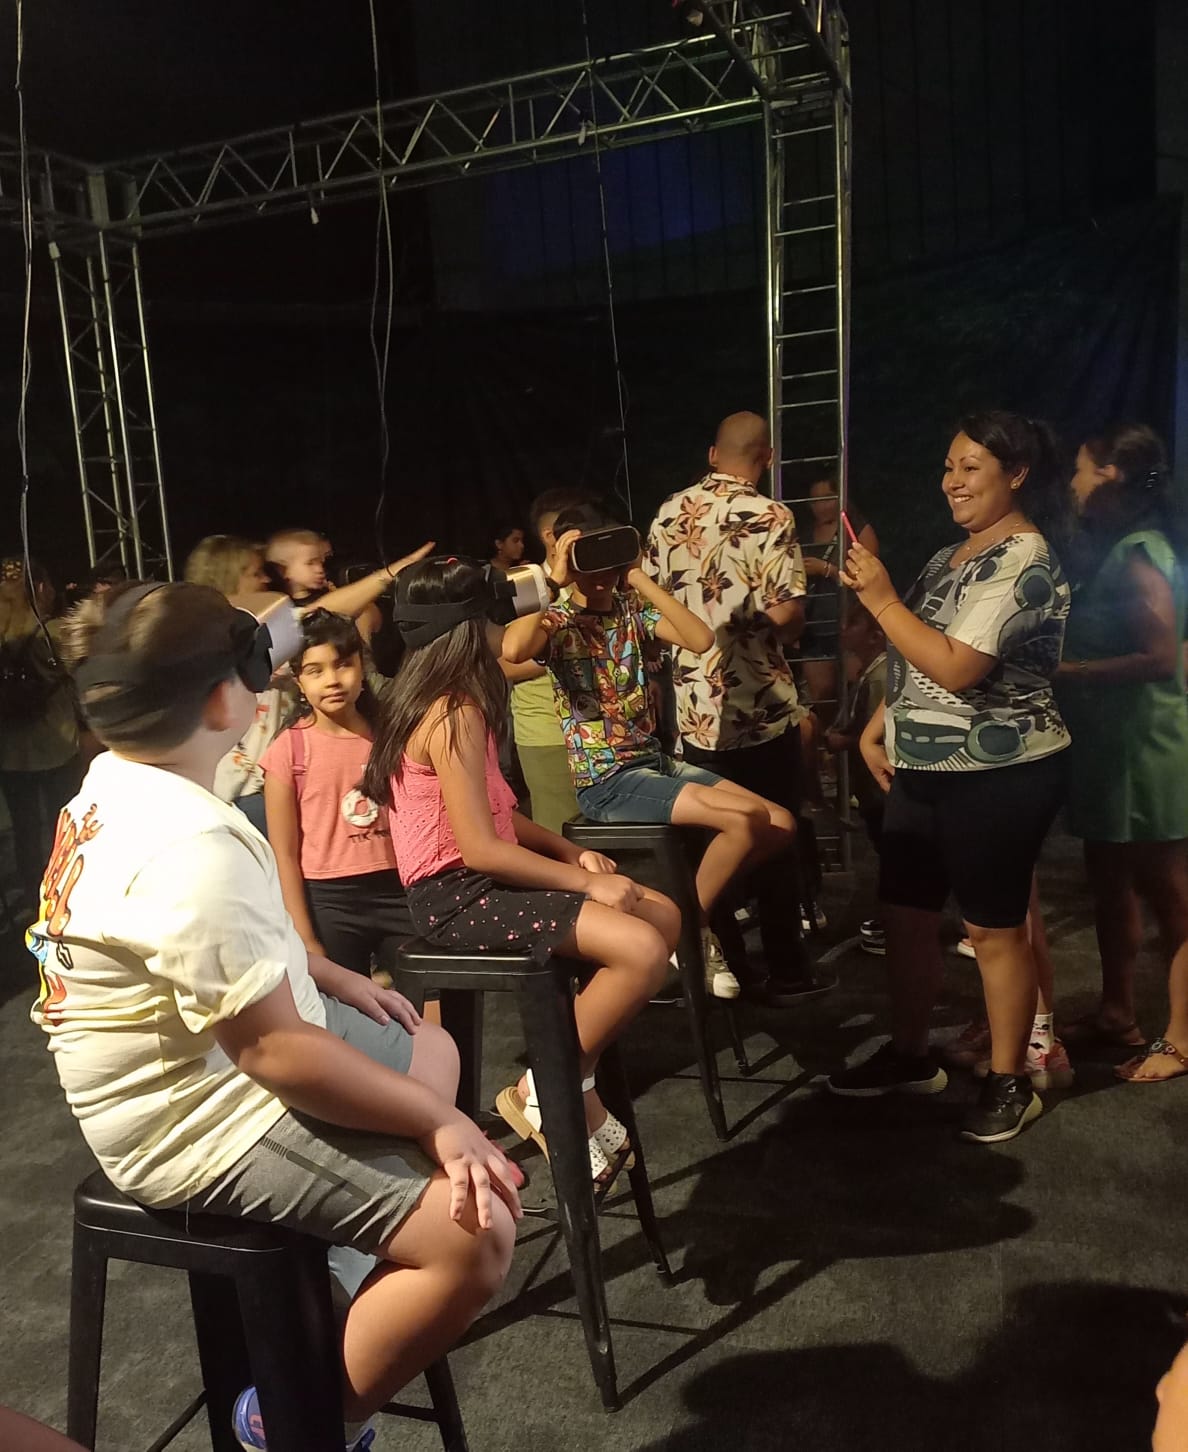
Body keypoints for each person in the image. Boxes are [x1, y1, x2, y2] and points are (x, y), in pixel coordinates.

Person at [30, 580, 518, 1452]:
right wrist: (440, 1124)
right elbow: (276, 1054)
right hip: (193, 1120)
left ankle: (335, 1274)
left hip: (219, 1055)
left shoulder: (116, 780)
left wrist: (320, 969)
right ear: (229, 702)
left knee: (428, 1044)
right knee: (476, 1234)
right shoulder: (189, 846)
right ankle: (301, 1417)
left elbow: (202, 954)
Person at [363, 556, 678, 1183]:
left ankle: (565, 1081)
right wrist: (587, 882)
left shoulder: (457, 701)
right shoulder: (451, 713)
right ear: (470, 630)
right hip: (456, 895)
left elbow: (500, 816)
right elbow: (480, 850)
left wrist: (569, 852)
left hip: (482, 879)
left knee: (662, 913)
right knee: (642, 948)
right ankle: (549, 1087)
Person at [826, 410, 1071, 1145]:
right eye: (947, 466)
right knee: (906, 916)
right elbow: (917, 654)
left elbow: (960, 667)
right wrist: (879, 723)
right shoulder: (949, 557)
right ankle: (910, 1055)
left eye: (970, 467)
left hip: (1000, 772)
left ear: (1016, 474)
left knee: (994, 930)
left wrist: (880, 599)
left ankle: (1010, 1079)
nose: (952, 481)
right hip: (925, 767)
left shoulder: (1024, 560)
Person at [504, 497, 796, 1001]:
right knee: (743, 820)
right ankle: (690, 930)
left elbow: (699, 639)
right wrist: (555, 578)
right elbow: (512, 650)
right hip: (606, 777)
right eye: (588, 560)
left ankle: (681, 910)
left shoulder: (631, 611)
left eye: (607, 557)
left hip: (653, 762)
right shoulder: (559, 620)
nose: (599, 574)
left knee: (780, 823)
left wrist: (636, 574)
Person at [644, 411, 823, 1005]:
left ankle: (721, 967)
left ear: (713, 454)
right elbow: (789, 617)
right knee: (774, 836)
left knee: (711, 846)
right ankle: (788, 970)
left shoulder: (669, 512)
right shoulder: (772, 515)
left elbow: (649, 604)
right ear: (766, 458)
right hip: (761, 709)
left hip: (695, 711)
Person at [1054, 423, 1188, 1082]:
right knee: (1108, 881)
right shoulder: (1121, 548)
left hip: (1144, 744)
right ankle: (1116, 1012)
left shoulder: (1139, 552)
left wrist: (1069, 671)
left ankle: (1183, 1038)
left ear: (1111, 476)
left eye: (1082, 469)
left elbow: (1160, 656)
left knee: (1171, 894)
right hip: (1111, 745)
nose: (1073, 483)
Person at [186, 534, 431, 834]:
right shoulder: (238, 644)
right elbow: (314, 615)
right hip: (246, 793)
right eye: (255, 572)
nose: (266, 579)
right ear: (227, 577)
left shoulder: (217, 639)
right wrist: (390, 574)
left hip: (256, 786)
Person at [262, 610, 412, 980]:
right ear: (299, 681)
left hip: (400, 888)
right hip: (330, 900)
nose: (332, 680)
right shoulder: (288, 750)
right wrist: (304, 936)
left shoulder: (393, 737)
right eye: (315, 671)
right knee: (347, 1003)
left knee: (427, 996)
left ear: (362, 667)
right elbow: (284, 853)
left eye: (343, 664)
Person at [0, 557, 83, 916]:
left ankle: (33, 896)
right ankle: (64, 893)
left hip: (10, 753)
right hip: (56, 745)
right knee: (61, 823)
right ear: (40, 588)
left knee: (25, 829)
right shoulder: (53, 632)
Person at [499, 489, 585, 834]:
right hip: (549, 733)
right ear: (551, 535)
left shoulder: (601, 575)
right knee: (562, 834)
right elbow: (506, 662)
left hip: (604, 732)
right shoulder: (523, 581)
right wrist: (572, 648)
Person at [799, 471, 880, 732]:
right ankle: (827, 748)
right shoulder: (803, 532)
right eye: (814, 500)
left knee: (856, 691)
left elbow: (870, 578)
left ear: (840, 497)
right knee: (822, 698)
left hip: (850, 622)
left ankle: (856, 746)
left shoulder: (855, 529)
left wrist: (827, 570)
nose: (819, 506)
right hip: (814, 624)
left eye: (826, 498)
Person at [265, 527, 331, 606]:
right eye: (310, 563)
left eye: (320, 563)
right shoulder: (281, 607)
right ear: (284, 570)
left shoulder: (327, 593)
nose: (320, 569)